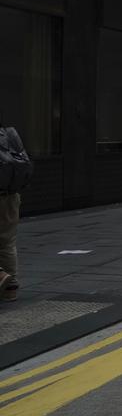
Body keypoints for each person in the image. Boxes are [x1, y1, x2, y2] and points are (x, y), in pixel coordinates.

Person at [0, 118, 30, 303]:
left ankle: (1, 276)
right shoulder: (8, 133)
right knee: (6, 242)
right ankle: (10, 289)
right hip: (10, 194)